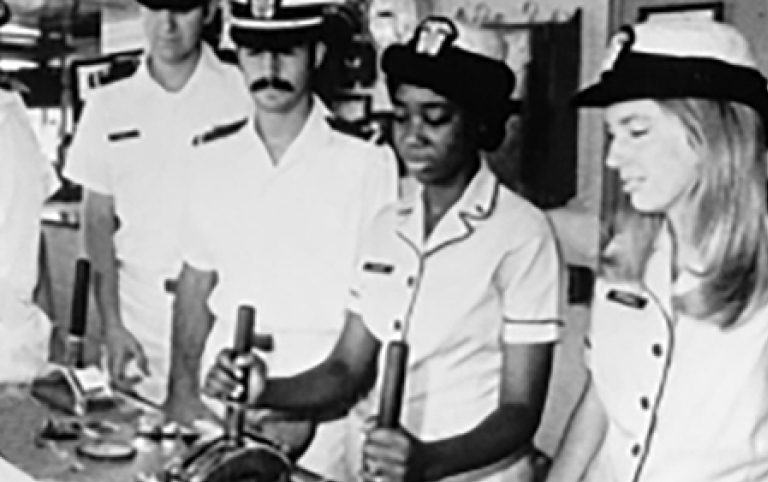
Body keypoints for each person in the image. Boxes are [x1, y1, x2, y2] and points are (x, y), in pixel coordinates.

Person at [203, 16, 562, 482]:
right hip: (372, 470)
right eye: (402, 114)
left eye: (435, 117)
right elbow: (346, 370)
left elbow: (520, 410)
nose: (413, 134)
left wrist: (429, 460)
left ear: (480, 124)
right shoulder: (386, 226)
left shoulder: (521, 234)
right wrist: (262, 390)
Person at [546, 20, 768, 482]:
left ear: (707, 135)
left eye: (636, 131)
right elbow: (602, 401)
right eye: (613, 135)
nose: (613, 158)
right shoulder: (624, 257)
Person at [163, 0, 399, 479]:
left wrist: (300, 411)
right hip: (222, 391)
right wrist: (182, 392)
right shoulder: (211, 156)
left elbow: (373, 319)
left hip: (321, 402)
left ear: (315, 53)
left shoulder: (366, 161)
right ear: (239, 56)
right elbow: (195, 284)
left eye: (286, 51)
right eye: (254, 52)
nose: (269, 69)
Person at [64, 0, 250, 403]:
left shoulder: (244, 91)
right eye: (155, 8)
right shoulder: (108, 104)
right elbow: (97, 223)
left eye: (182, 9)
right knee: (137, 452)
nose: (167, 25)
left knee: (221, 453)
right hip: (138, 320)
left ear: (208, 11)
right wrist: (111, 325)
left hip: (221, 319)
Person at [0, 0, 61, 381]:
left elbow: (32, 236)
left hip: (21, 356)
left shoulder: (13, 114)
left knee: (21, 439)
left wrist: (53, 331)